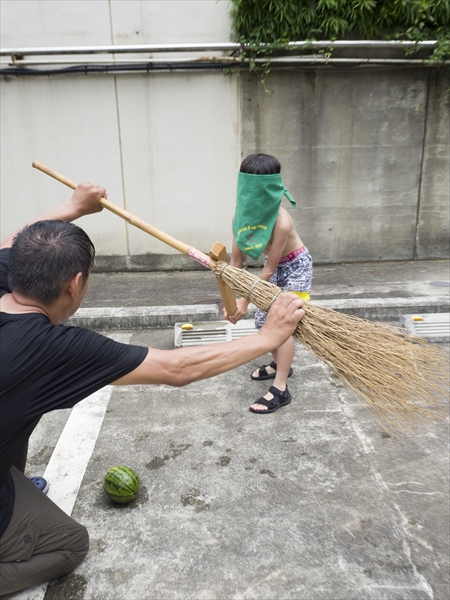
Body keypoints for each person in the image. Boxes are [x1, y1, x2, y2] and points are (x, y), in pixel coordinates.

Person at [0, 182, 305, 597]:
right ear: (75, 285)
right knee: (71, 545)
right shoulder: (52, 349)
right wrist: (267, 337)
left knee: (20, 410)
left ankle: (14, 483)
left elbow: (16, 239)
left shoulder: (7, 273)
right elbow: (175, 368)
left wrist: (74, 206)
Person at [225, 153, 313, 414]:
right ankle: (279, 364)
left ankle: (281, 387)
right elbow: (236, 263)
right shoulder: (240, 218)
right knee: (263, 322)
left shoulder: (281, 221)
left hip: (295, 266)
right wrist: (231, 302)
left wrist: (244, 300)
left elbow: (269, 269)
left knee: (281, 323)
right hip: (272, 270)